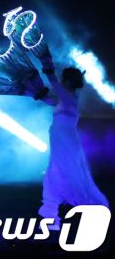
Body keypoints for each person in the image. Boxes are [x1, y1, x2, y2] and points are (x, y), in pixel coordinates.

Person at [34, 53, 109, 228]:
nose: (61, 81)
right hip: (62, 140)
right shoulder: (66, 98)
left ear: (67, 81)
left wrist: (46, 64)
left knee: (61, 174)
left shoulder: (68, 97)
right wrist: (29, 86)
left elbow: (53, 83)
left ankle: (54, 216)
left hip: (65, 141)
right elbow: (48, 98)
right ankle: (51, 218)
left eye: (63, 79)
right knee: (56, 174)